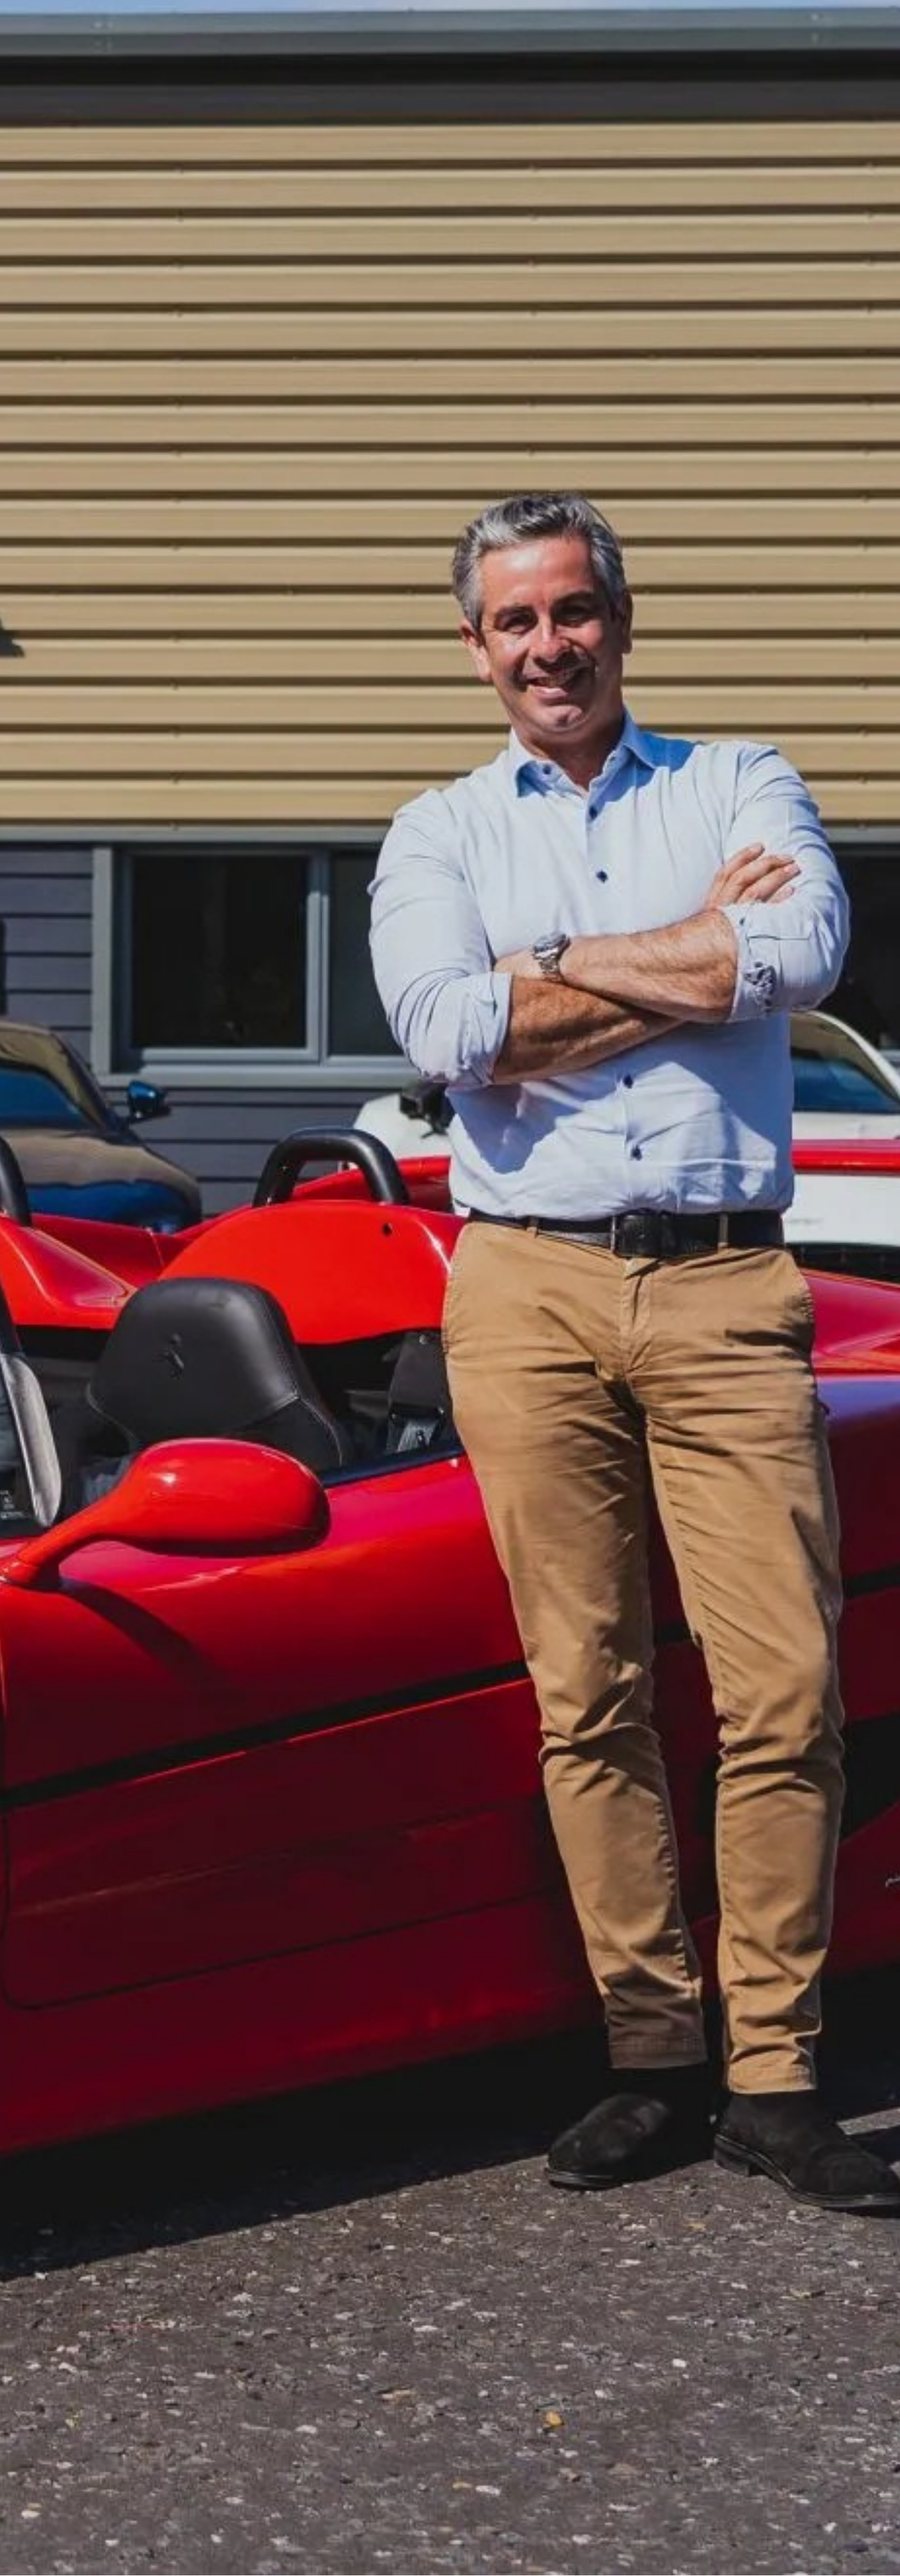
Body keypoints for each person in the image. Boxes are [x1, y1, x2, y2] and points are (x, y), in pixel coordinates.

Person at [368, 490, 898, 2214]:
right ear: (473, 647)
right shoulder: (435, 829)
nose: (547, 647)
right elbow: (446, 1030)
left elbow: (803, 951)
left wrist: (547, 985)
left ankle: (774, 2070)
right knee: (581, 1688)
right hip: (520, 1294)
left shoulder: (739, 782)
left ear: (619, 617)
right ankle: (650, 2048)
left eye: (572, 610)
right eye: (512, 622)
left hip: (727, 1287)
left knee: (783, 1690)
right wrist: (690, 959)